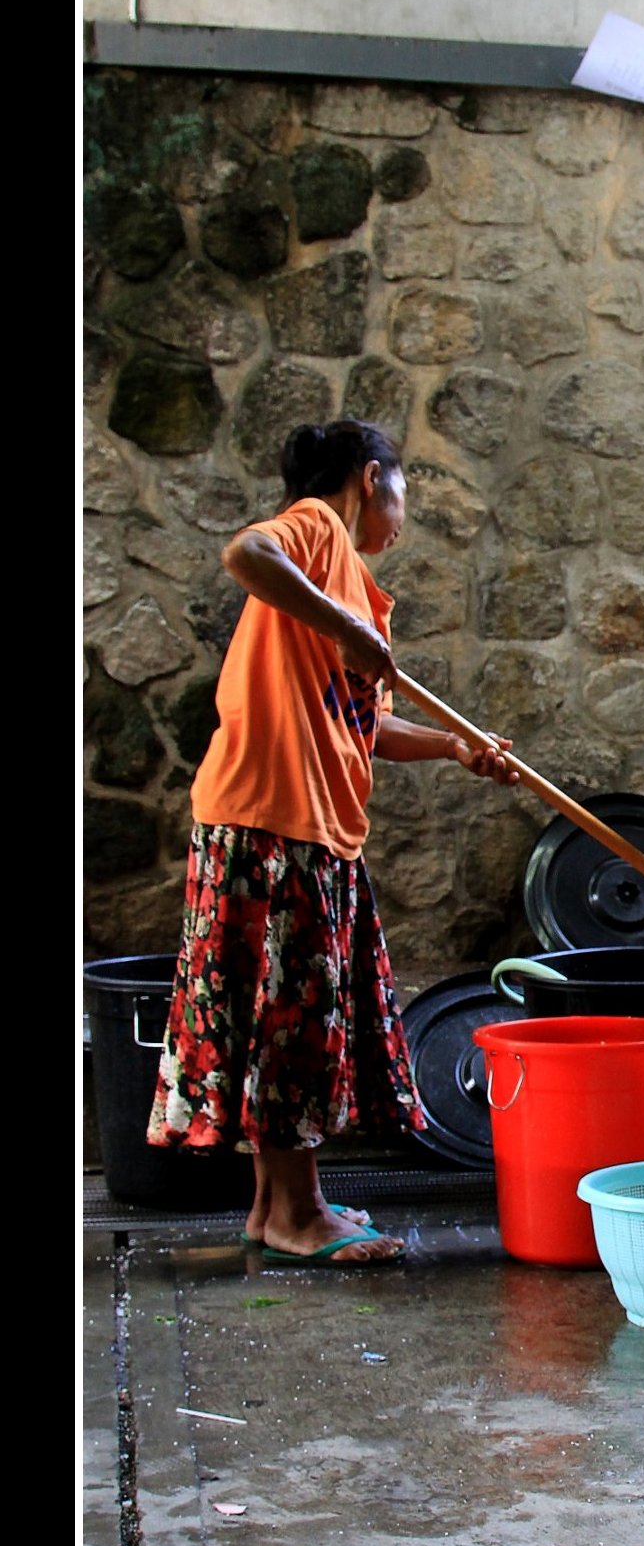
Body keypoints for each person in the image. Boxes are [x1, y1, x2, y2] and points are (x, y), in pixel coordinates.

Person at [147, 418, 515, 1265]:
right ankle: (300, 1213)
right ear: (371, 477)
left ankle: (272, 1207)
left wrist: (455, 746)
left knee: (282, 1018)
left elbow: (365, 725)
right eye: (404, 492)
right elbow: (245, 553)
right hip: (273, 820)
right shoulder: (316, 528)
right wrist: (348, 628)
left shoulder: (352, 589)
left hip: (305, 828)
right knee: (292, 1025)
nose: (403, 517)